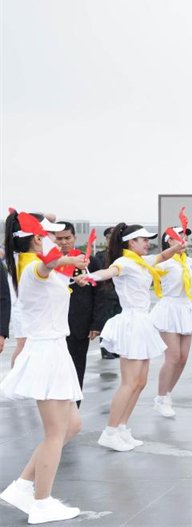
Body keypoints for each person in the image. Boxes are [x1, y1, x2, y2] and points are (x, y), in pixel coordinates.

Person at [0, 211, 86, 523]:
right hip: (46, 352)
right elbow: (48, 265)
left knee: (71, 426)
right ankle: (42, 503)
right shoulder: (35, 265)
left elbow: (50, 269)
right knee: (55, 432)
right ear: (37, 238)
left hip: (52, 350)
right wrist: (68, 262)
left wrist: (69, 269)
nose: (53, 239)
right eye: (48, 234)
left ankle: (23, 486)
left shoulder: (29, 265)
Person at [86, 223, 184, 451]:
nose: (147, 243)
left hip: (143, 322)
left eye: (148, 239)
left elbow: (162, 255)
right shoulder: (124, 262)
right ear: (130, 242)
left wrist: (177, 246)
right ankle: (109, 432)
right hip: (131, 322)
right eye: (143, 239)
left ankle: (121, 428)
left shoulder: (144, 262)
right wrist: (90, 277)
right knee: (129, 382)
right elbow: (108, 272)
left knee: (140, 383)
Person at [150, 227, 192, 418]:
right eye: (178, 237)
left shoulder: (187, 261)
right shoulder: (165, 262)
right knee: (172, 357)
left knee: (183, 358)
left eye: (185, 237)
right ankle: (161, 398)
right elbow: (146, 268)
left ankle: (167, 395)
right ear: (168, 242)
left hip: (185, 310)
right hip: (169, 310)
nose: (183, 239)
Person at [54, 222, 106, 404]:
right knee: (54, 369)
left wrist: (97, 323)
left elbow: (100, 294)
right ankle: (56, 408)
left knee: (77, 367)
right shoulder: (47, 263)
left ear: (75, 238)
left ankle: (73, 407)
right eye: (59, 238)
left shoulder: (88, 261)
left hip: (79, 324)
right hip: (53, 324)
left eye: (67, 238)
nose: (63, 242)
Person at [95, 227, 122, 360]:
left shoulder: (121, 256)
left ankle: (114, 348)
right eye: (108, 238)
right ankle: (105, 349)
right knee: (106, 322)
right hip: (106, 294)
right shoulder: (100, 255)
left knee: (118, 322)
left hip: (119, 294)